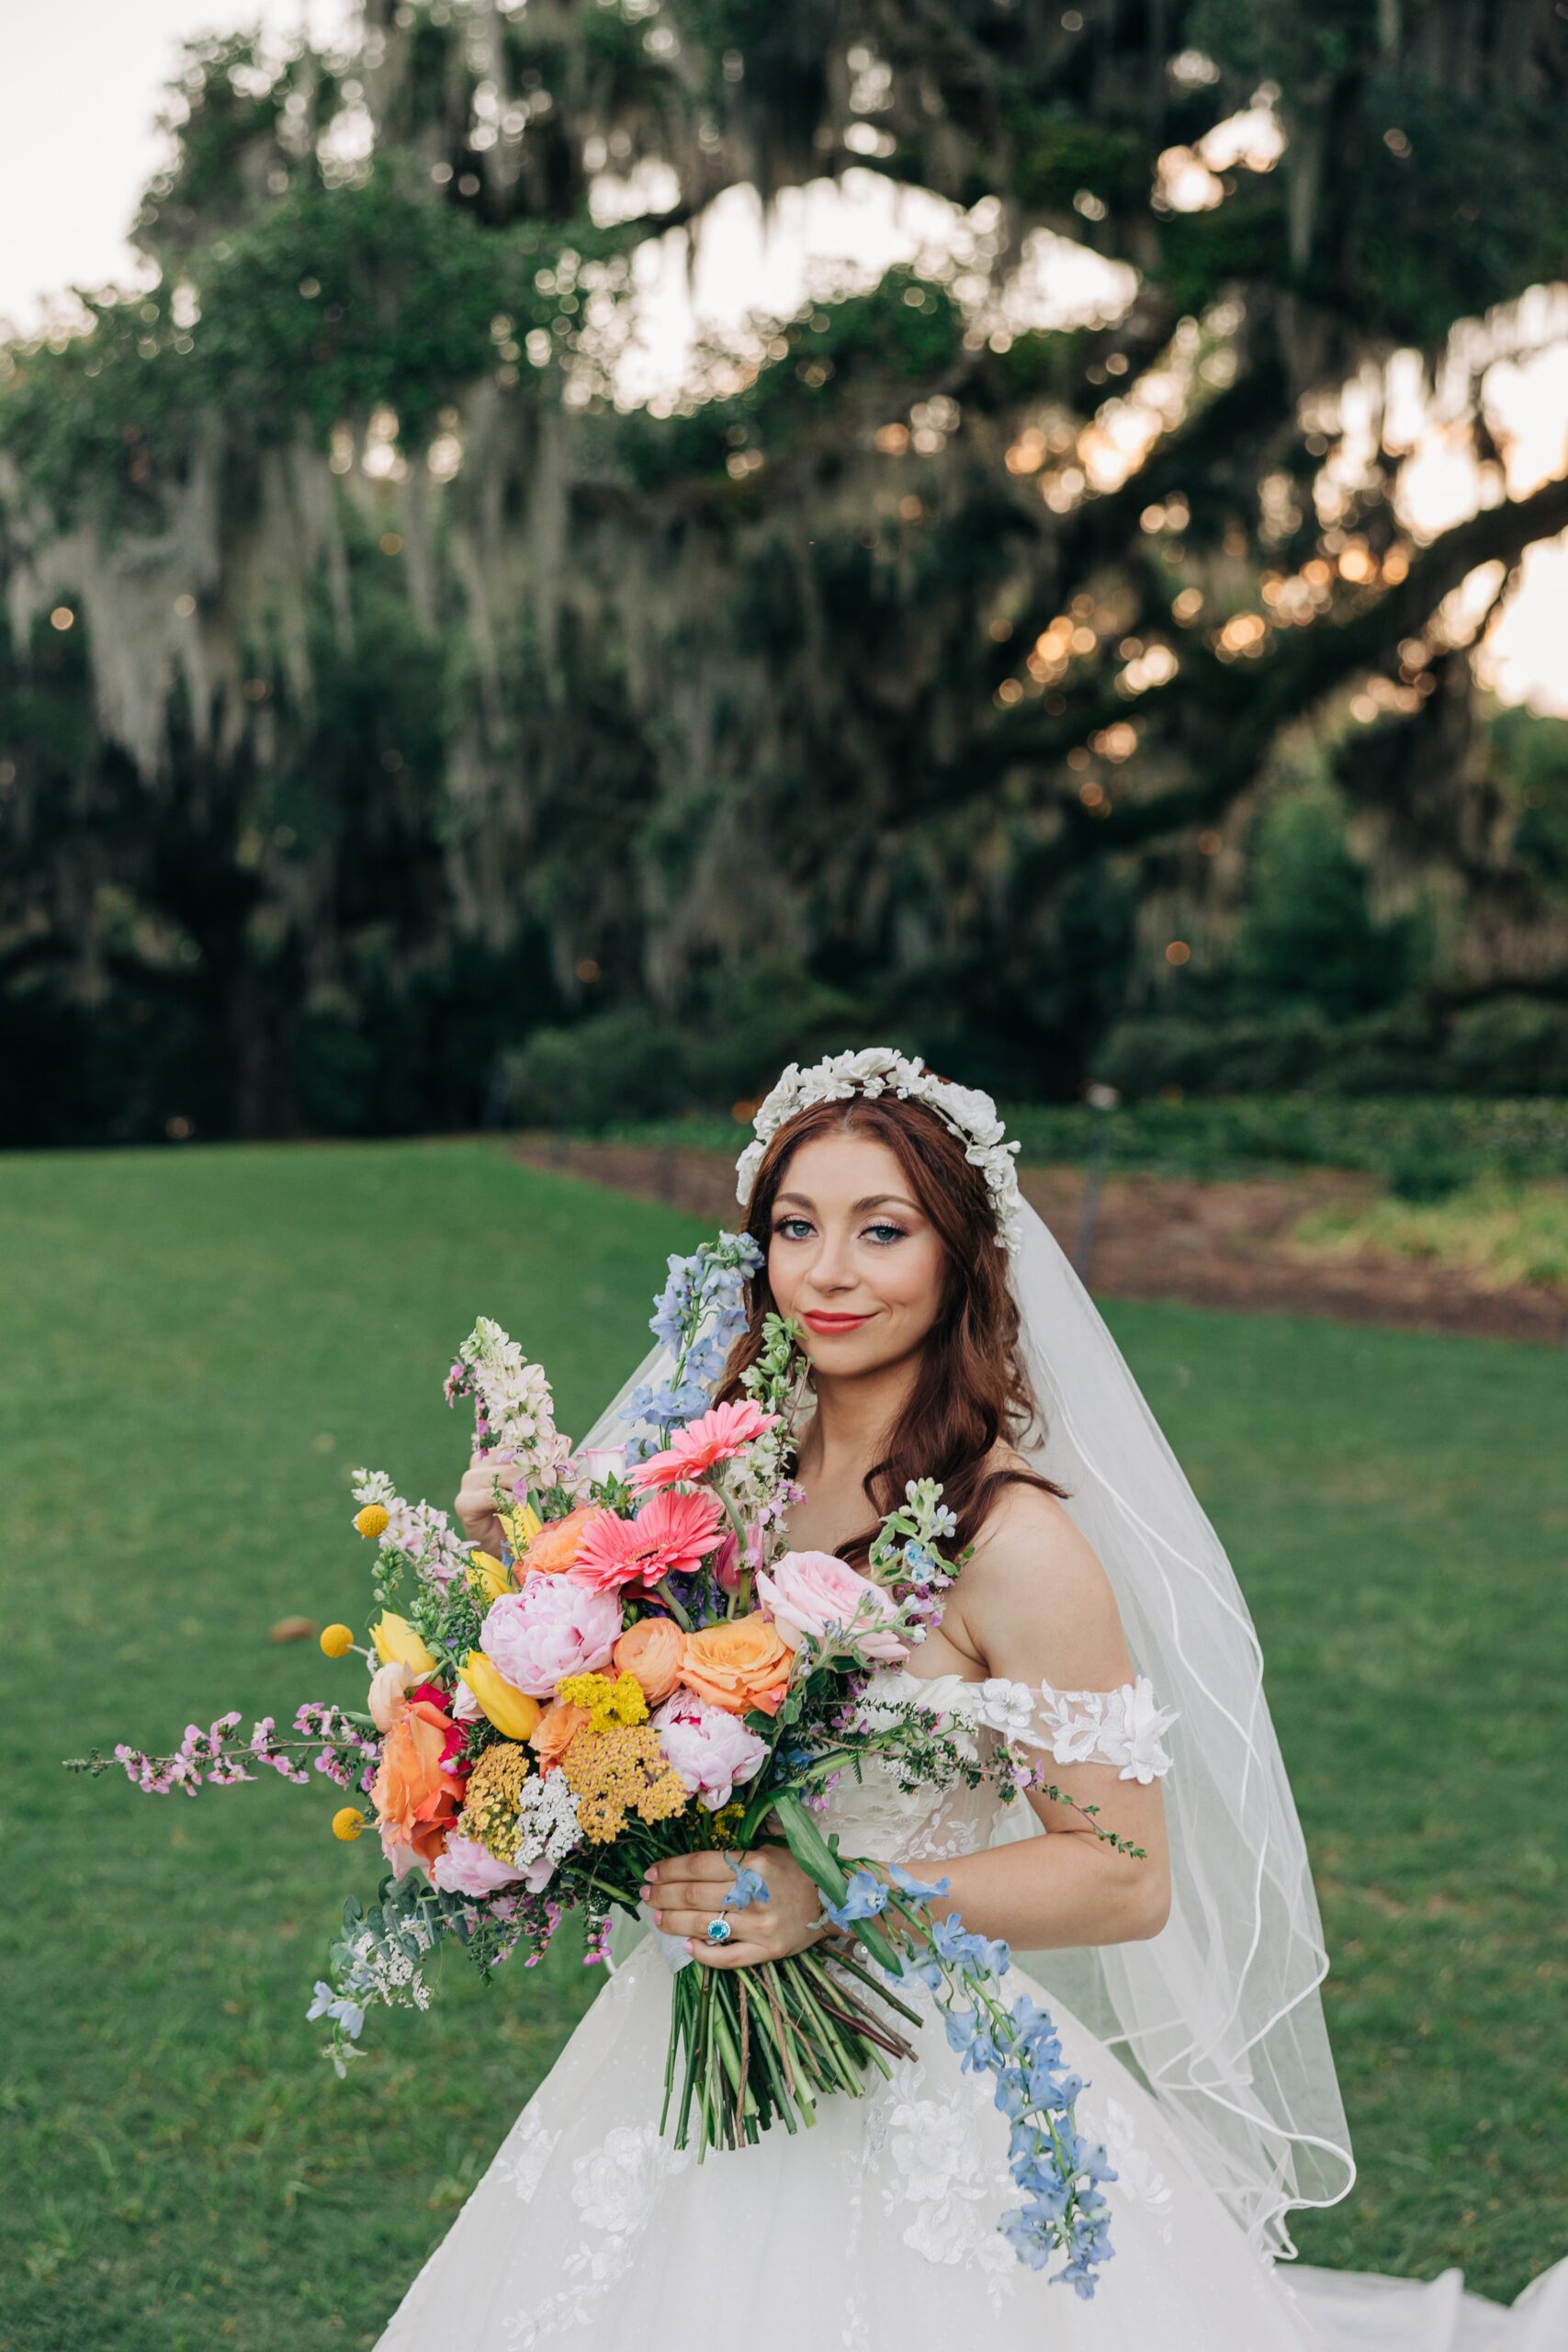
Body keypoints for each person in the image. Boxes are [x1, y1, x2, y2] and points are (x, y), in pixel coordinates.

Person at [378, 1050, 1565, 2350]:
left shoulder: (1013, 1545)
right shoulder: (702, 1501)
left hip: (909, 2056)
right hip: (678, 2041)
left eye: (881, 1231)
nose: (828, 1272)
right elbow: (595, 1702)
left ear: (958, 1257)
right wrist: (527, 1590)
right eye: (795, 1227)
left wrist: (829, 1897)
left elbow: (1124, 1874)